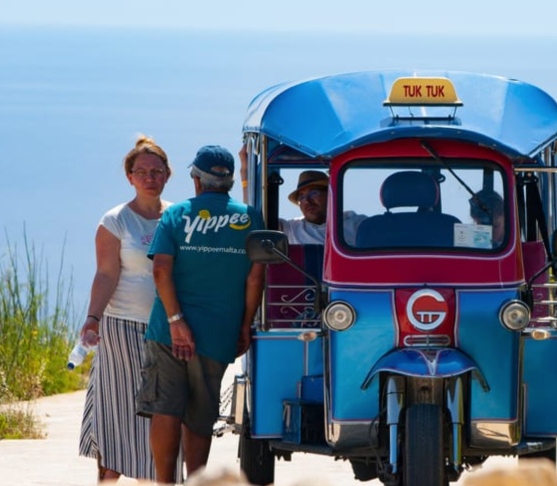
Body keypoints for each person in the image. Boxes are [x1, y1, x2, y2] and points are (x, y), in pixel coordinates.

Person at [136, 145, 265, 483]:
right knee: (201, 413)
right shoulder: (249, 217)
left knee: (165, 407)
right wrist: (245, 324)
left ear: (196, 180)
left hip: (167, 331)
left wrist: (177, 322)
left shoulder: (176, 215)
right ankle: (197, 481)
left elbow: (161, 271)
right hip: (218, 331)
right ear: (228, 183)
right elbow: (255, 277)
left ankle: (165, 483)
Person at [77, 135, 183, 483]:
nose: (150, 177)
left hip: (168, 328)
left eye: (157, 170)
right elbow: (106, 274)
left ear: (168, 174)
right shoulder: (116, 220)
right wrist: (93, 319)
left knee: (165, 414)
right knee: (120, 415)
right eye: (142, 171)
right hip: (122, 328)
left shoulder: (180, 218)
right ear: (130, 177)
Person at [238, 144, 364, 245]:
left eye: (313, 193)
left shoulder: (355, 222)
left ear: (331, 195)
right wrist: (246, 174)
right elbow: (253, 221)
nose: (307, 201)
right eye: (301, 197)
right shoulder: (291, 228)